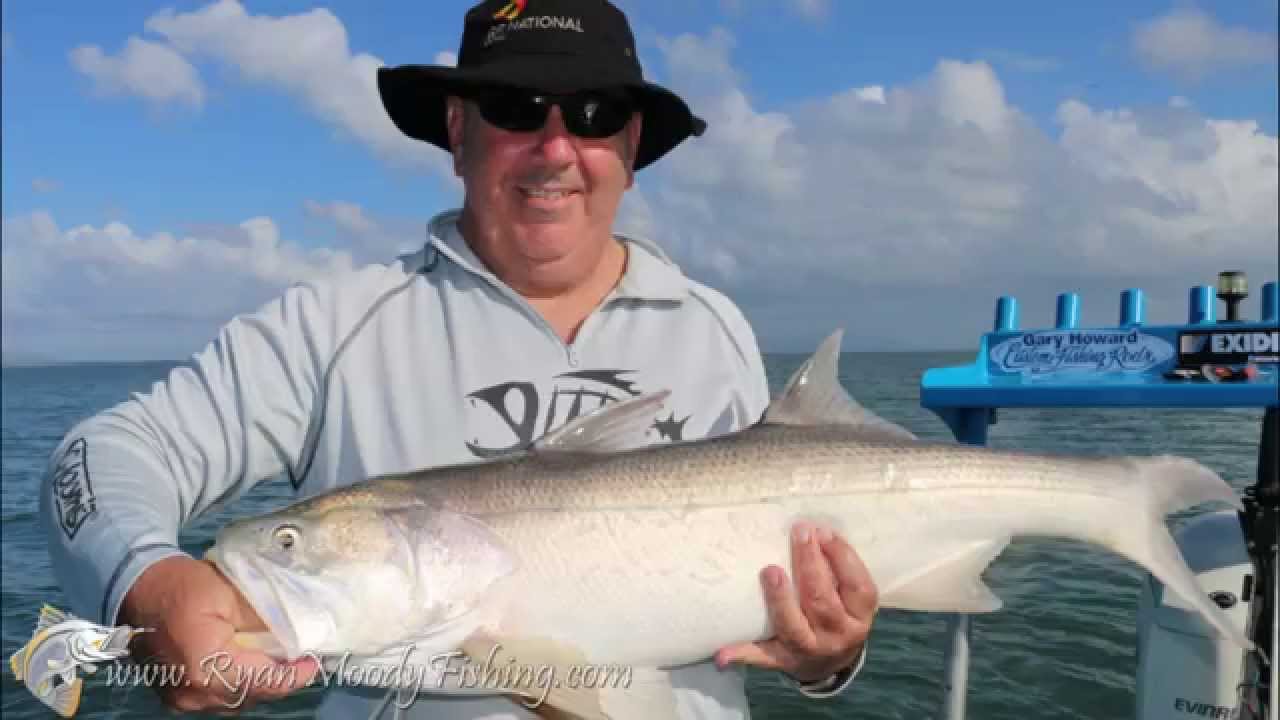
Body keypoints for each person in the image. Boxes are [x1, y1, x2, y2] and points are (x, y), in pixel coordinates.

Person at [39, 0, 877, 717]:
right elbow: (98, 458)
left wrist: (827, 658)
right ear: (456, 129)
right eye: (516, 108)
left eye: (589, 115)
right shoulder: (332, 327)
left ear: (627, 144)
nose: (554, 148)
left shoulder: (715, 326)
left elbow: (782, 595)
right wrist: (141, 584)